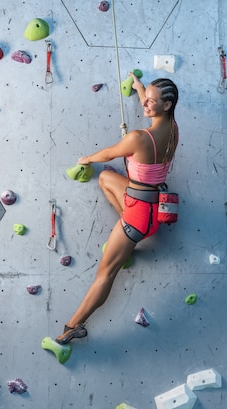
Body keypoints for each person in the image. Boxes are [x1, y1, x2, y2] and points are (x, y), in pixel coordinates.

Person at [55, 75, 179, 344]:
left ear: (166, 105)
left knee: (105, 274)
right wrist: (139, 87)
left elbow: (109, 153)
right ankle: (124, 242)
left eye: (151, 102)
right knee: (105, 179)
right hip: (148, 205)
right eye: (144, 99)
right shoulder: (173, 128)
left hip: (138, 219)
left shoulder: (139, 138)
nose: (145, 104)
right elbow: (152, 99)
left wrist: (86, 158)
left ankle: (73, 327)